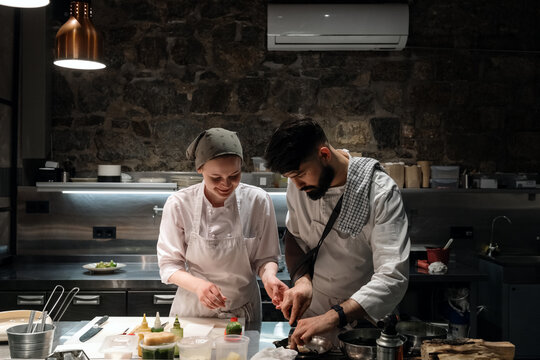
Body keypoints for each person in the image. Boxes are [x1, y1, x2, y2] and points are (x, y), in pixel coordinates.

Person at [264, 119, 410, 347]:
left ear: (324, 154)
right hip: (312, 319)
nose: (297, 185)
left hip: (364, 323)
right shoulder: (298, 184)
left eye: (300, 174)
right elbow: (295, 236)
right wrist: (302, 282)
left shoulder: (380, 192)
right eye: (291, 177)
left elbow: (393, 277)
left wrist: (334, 317)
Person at [157, 128, 288, 328]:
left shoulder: (258, 201)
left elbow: (266, 258)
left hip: (243, 310)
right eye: (215, 178)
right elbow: (169, 266)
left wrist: (269, 276)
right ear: (199, 170)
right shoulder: (179, 203)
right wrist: (199, 286)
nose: (226, 184)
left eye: (234, 175)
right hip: (194, 311)